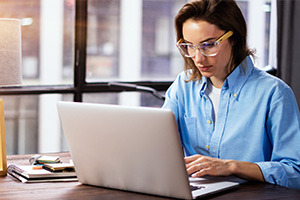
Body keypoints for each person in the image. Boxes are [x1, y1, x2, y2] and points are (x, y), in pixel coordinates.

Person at [162, 0, 300, 189]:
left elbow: (295, 172)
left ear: (234, 37)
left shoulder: (274, 93)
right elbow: (159, 148)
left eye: (209, 45)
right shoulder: (182, 86)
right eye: (189, 46)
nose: (198, 58)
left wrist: (232, 166)